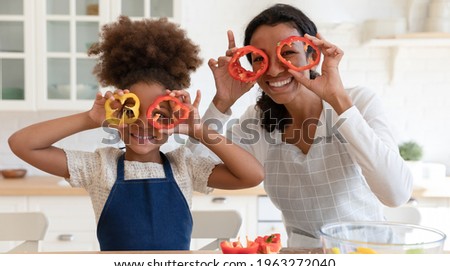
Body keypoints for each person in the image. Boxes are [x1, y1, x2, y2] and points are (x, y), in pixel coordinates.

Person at [8, 16, 264, 251]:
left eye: (158, 116)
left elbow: (252, 175)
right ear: (115, 115)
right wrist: (90, 119)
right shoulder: (100, 167)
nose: (143, 125)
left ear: (174, 120)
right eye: (132, 111)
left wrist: (197, 129)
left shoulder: (184, 166)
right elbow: (21, 144)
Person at [188, 3, 413, 247]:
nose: (273, 70)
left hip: (368, 257)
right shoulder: (258, 120)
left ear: (312, 55)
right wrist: (222, 103)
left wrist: (338, 101)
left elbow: (396, 194)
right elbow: (190, 169)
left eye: (287, 53)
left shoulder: (358, 101)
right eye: (259, 58)